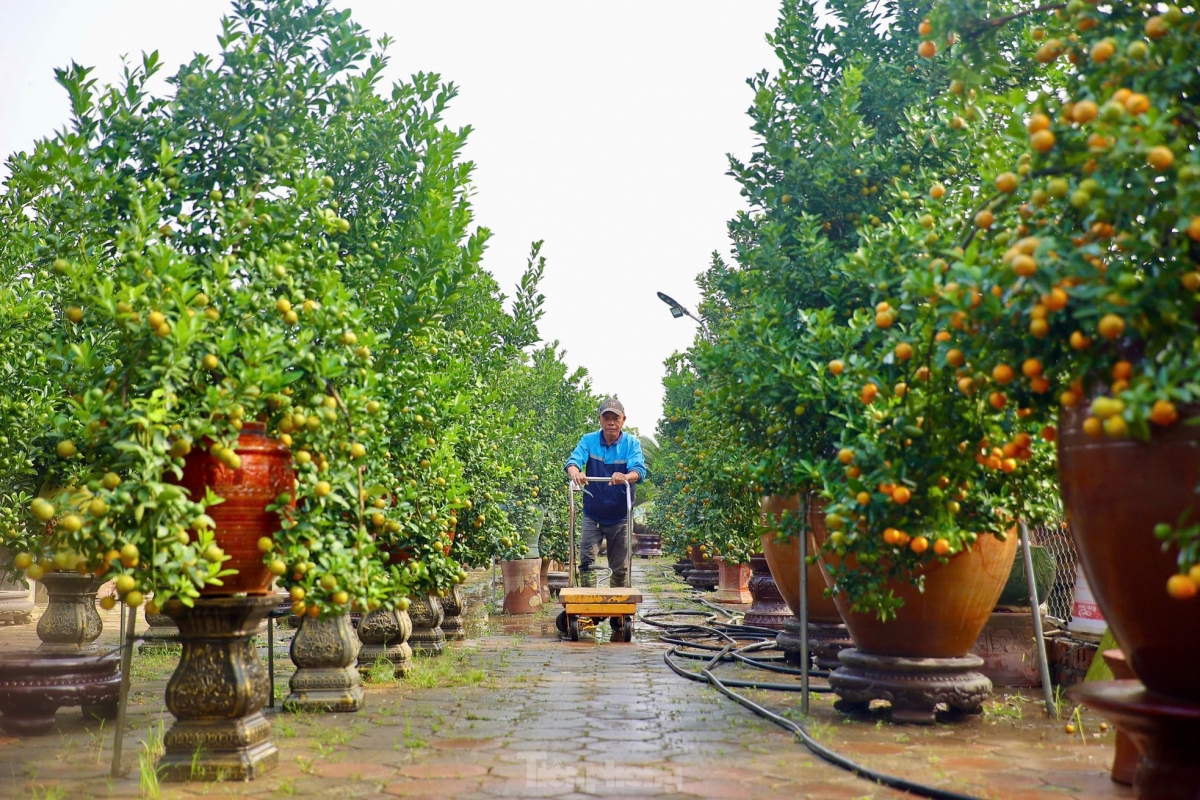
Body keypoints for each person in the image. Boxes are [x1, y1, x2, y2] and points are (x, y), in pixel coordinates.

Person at [565, 398, 646, 591]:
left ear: (623, 420)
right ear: (600, 420)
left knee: (620, 567)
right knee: (586, 560)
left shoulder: (631, 444)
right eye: (606, 417)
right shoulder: (589, 440)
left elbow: (639, 471)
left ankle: (618, 610)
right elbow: (574, 460)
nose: (611, 422)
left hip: (620, 516)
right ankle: (589, 605)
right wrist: (576, 472)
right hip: (593, 513)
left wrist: (625, 475)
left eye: (615, 418)